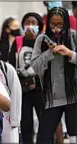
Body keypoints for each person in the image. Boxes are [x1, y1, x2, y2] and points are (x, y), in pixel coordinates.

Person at [31, 7, 77, 144]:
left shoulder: (73, 36)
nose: (56, 29)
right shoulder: (41, 39)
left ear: (66, 23)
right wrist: (48, 53)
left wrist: (69, 53)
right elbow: (35, 66)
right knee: (43, 138)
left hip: (74, 96)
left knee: (74, 136)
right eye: (52, 24)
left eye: (60, 24)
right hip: (51, 98)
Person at [14, 12, 44, 144]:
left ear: (39, 25)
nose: (30, 25)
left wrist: (34, 41)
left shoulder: (44, 40)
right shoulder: (18, 41)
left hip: (41, 89)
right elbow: (11, 63)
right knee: (26, 126)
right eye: (27, 23)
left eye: (33, 23)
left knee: (45, 124)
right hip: (24, 90)